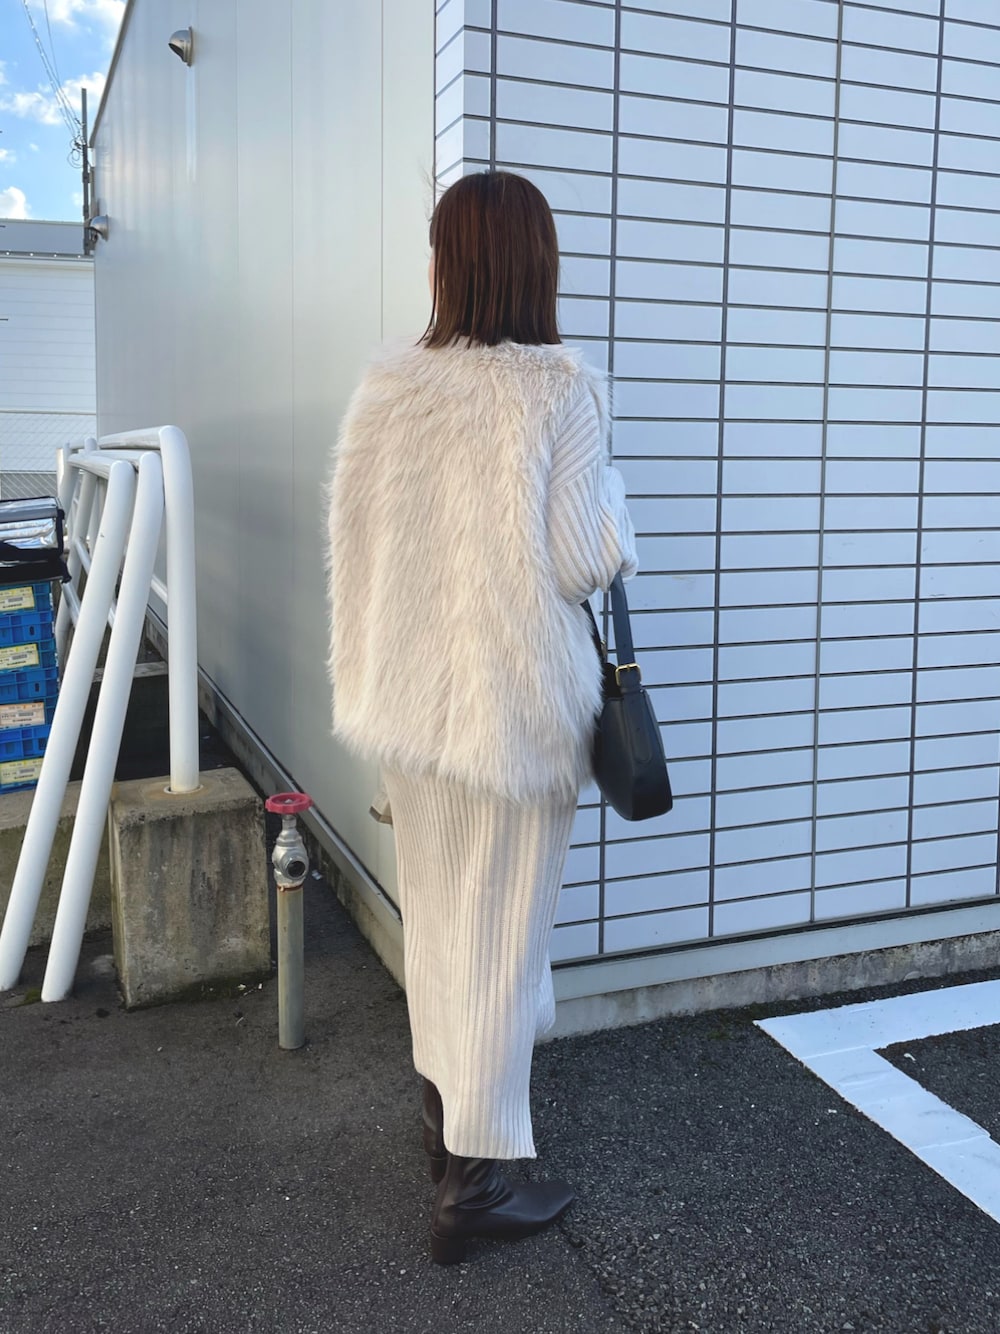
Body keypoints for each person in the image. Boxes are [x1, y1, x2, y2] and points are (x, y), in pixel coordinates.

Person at [326, 170, 638, 1265]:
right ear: (535, 263)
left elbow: (356, 546)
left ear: (448, 265)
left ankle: (444, 1127)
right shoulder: (559, 389)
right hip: (513, 715)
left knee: (441, 928)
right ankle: (477, 1185)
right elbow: (583, 558)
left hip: (412, 713)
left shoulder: (387, 390)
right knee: (501, 945)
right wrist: (616, 507)